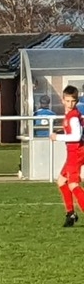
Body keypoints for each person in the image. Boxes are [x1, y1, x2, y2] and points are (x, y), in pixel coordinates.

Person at [54, 85, 84, 227]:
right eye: (67, 101)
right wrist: (62, 133)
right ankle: (70, 214)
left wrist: (58, 137)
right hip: (73, 152)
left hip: (76, 152)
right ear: (63, 100)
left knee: (73, 184)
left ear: (76, 101)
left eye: (73, 101)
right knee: (61, 181)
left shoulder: (73, 117)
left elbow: (76, 136)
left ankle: (72, 214)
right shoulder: (70, 115)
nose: (70, 104)